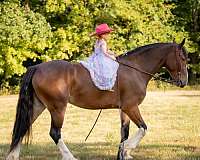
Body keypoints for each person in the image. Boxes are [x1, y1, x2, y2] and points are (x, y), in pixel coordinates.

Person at [80, 23, 119, 91]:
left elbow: (106, 50)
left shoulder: (98, 41)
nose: (108, 35)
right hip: (101, 58)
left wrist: (113, 53)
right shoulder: (103, 42)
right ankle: (106, 85)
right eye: (106, 34)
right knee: (107, 70)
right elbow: (104, 52)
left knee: (100, 71)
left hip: (96, 56)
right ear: (102, 35)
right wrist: (111, 57)